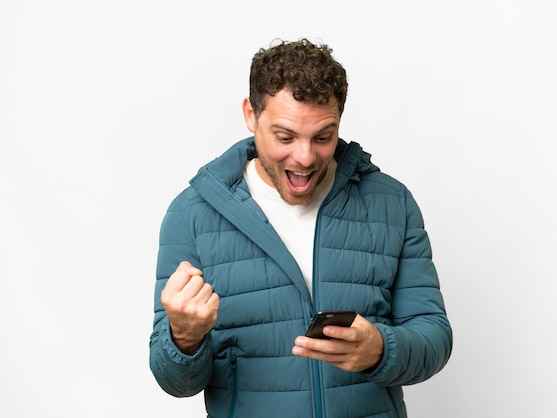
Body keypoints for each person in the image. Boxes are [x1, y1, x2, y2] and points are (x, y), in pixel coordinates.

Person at [149, 38, 453, 418]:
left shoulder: (391, 203)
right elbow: (175, 382)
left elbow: (435, 338)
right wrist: (184, 336)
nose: (305, 158)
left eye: (323, 137)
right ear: (250, 114)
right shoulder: (192, 215)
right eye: (285, 137)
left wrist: (380, 348)